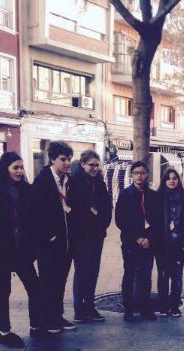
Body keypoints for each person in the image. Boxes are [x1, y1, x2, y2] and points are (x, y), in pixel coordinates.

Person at [0, 152, 43, 348]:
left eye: (22, 167)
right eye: (16, 167)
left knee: (35, 287)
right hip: (1, 251)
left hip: (22, 250)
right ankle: (4, 332)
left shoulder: (26, 190)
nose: (20, 171)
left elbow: (32, 219)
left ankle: (36, 326)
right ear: (5, 168)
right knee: (3, 289)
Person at [32, 141, 76, 333]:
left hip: (66, 241)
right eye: (63, 159)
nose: (67, 163)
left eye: (69, 159)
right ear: (52, 159)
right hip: (49, 243)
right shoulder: (42, 181)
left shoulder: (69, 180)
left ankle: (57, 316)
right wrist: (47, 238)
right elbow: (35, 214)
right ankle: (47, 320)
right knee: (48, 282)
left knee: (60, 281)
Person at [68, 150, 112, 323]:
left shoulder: (100, 182)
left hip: (97, 234)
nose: (94, 168)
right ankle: (79, 309)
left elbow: (107, 206)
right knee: (81, 272)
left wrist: (103, 223)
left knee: (93, 271)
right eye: (91, 165)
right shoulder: (75, 182)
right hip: (81, 235)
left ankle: (90, 306)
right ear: (82, 164)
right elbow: (73, 208)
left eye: (96, 165)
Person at [115, 160, 161, 321]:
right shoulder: (125, 195)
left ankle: (145, 308)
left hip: (149, 243)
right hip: (130, 242)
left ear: (147, 174)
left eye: (142, 173)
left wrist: (148, 238)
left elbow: (158, 220)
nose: (139, 176)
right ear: (132, 175)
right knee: (129, 274)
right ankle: (128, 309)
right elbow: (120, 220)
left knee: (146, 275)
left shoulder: (153, 196)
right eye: (136, 173)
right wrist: (137, 237)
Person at [155, 168, 184, 318]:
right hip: (162, 244)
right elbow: (153, 219)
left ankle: (175, 306)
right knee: (163, 275)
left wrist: (182, 233)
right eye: (169, 178)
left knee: (177, 275)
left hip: (179, 243)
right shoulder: (158, 197)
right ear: (164, 181)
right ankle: (164, 306)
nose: (172, 181)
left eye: (174, 178)